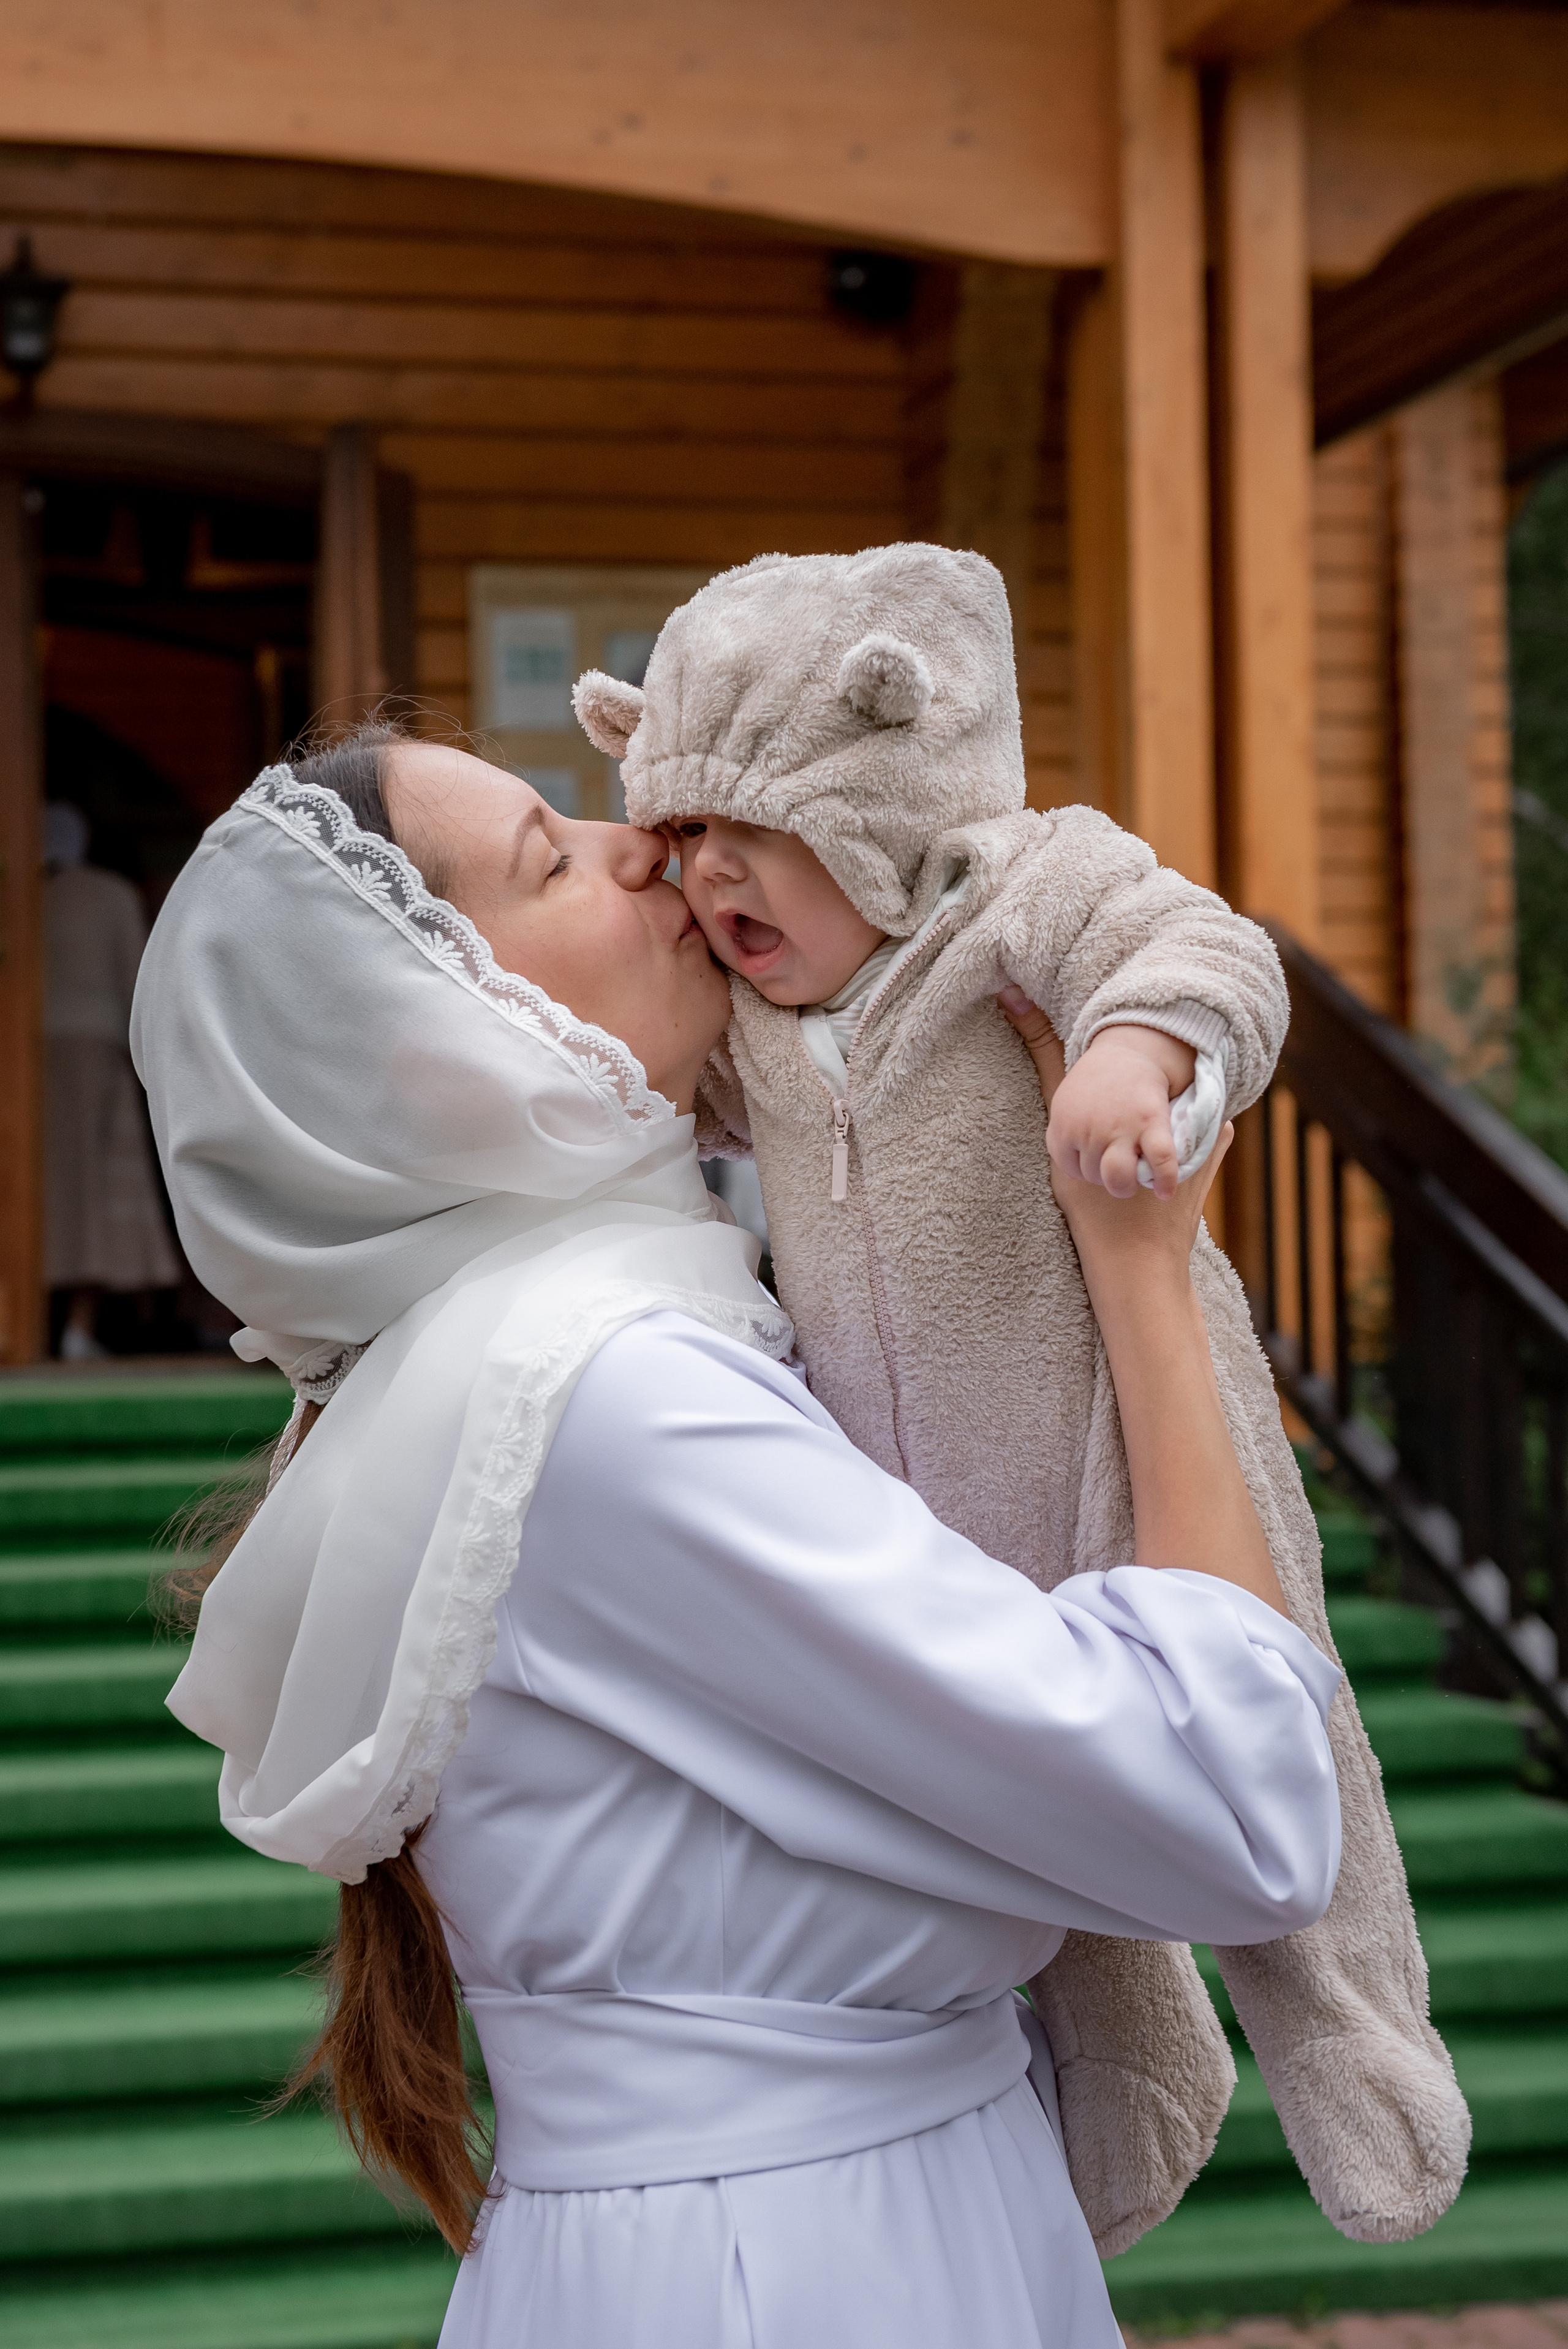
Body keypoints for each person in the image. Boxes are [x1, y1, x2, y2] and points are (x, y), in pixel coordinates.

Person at [134, 728, 1341, 2349]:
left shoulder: (508, 1368)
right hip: (802, 2267)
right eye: (549, 857)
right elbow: (1228, 1808)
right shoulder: (607, 1398)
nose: (637, 842)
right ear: (433, 1044)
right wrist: (1139, 1263)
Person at [571, 545, 1469, 2253]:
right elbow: (652, 1098)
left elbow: (1200, 948)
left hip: (1121, 1425)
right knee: (1026, 1793)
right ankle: (1137, 2066)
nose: (707, 874)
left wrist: (1137, 1052)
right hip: (913, 1502)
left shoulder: (1023, 883)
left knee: (1270, 1713)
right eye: (680, 832)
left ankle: (1352, 2035)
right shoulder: (758, 1011)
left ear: (893, 787)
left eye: (752, 825)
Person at [43, 799, 179, 1358]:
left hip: (25, 1062)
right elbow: (138, 989)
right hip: (97, 1054)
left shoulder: (20, 895)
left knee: (43, 1185)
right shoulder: (113, 895)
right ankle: (78, 1326)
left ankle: (31, 1326)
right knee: (94, 1189)